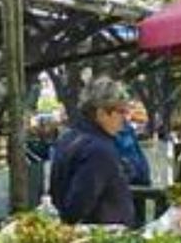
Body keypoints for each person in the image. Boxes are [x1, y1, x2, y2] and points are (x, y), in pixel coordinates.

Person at [49, 78, 137, 226]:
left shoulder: (69, 138)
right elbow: (78, 205)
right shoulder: (99, 150)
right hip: (101, 239)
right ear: (101, 113)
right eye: (121, 111)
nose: (125, 119)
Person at [113, 103, 153, 187]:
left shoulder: (128, 129)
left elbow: (138, 153)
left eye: (125, 111)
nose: (124, 115)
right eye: (121, 111)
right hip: (124, 183)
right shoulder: (108, 133)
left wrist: (145, 174)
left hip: (140, 179)